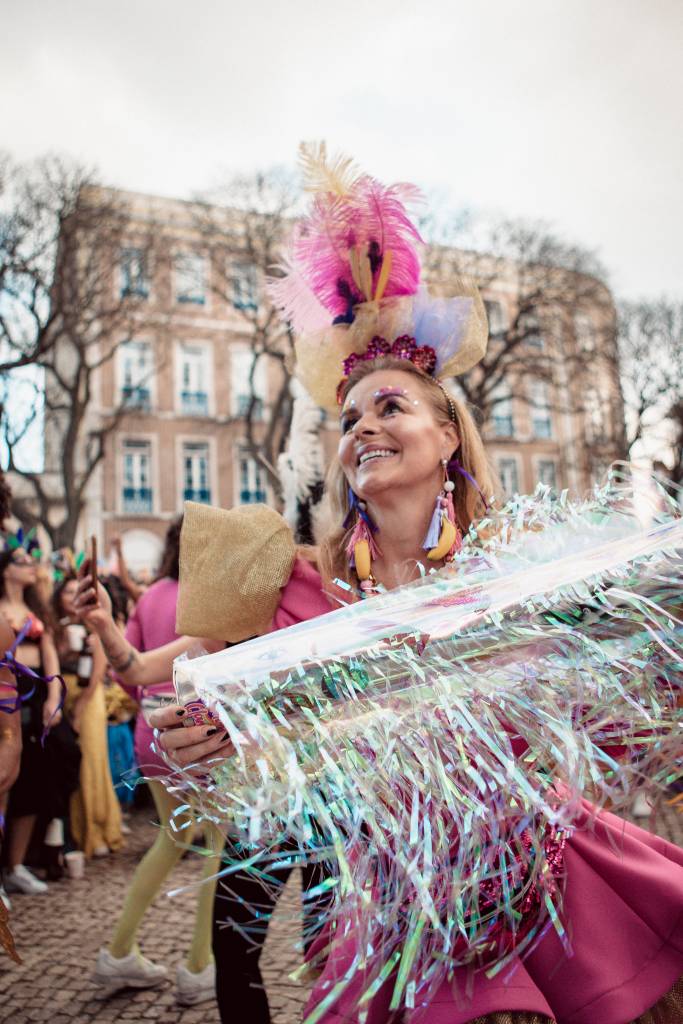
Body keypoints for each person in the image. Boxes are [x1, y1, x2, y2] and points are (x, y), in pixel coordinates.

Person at [76, 148, 683, 1024]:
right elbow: (195, 694)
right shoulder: (289, 581)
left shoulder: (520, 569)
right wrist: (200, 727)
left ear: (446, 436)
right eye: (350, 417)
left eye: (389, 408)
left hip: (543, 879)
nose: (362, 429)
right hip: (401, 909)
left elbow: (614, 705)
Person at [87, 520, 224, 1007]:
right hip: (202, 728)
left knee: (172, 836)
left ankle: (120, 949)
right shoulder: (214, 596)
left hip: (151, 728)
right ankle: (199, 965)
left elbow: (128, 668)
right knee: (217, 847)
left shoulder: (149, 597)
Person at [0, 539, 65, 896]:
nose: (29, 565)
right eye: (21, 560)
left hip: (37, 690)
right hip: (8, 691)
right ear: (4, 568)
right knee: (5, 779)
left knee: (35, 777)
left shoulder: (35, 609)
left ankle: (17, 864)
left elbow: (49, 652)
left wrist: (54, 695)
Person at [53, 576, 124, 859]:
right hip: (62, 690)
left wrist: (81, 707)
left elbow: (98, 670)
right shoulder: (54, 627)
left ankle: (96, 831)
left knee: (92, 759)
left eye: (77, 591)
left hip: (89, 694)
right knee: (67, 761)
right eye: (67, 591)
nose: (71, 596)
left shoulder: (94, 625)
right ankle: (71, 832)